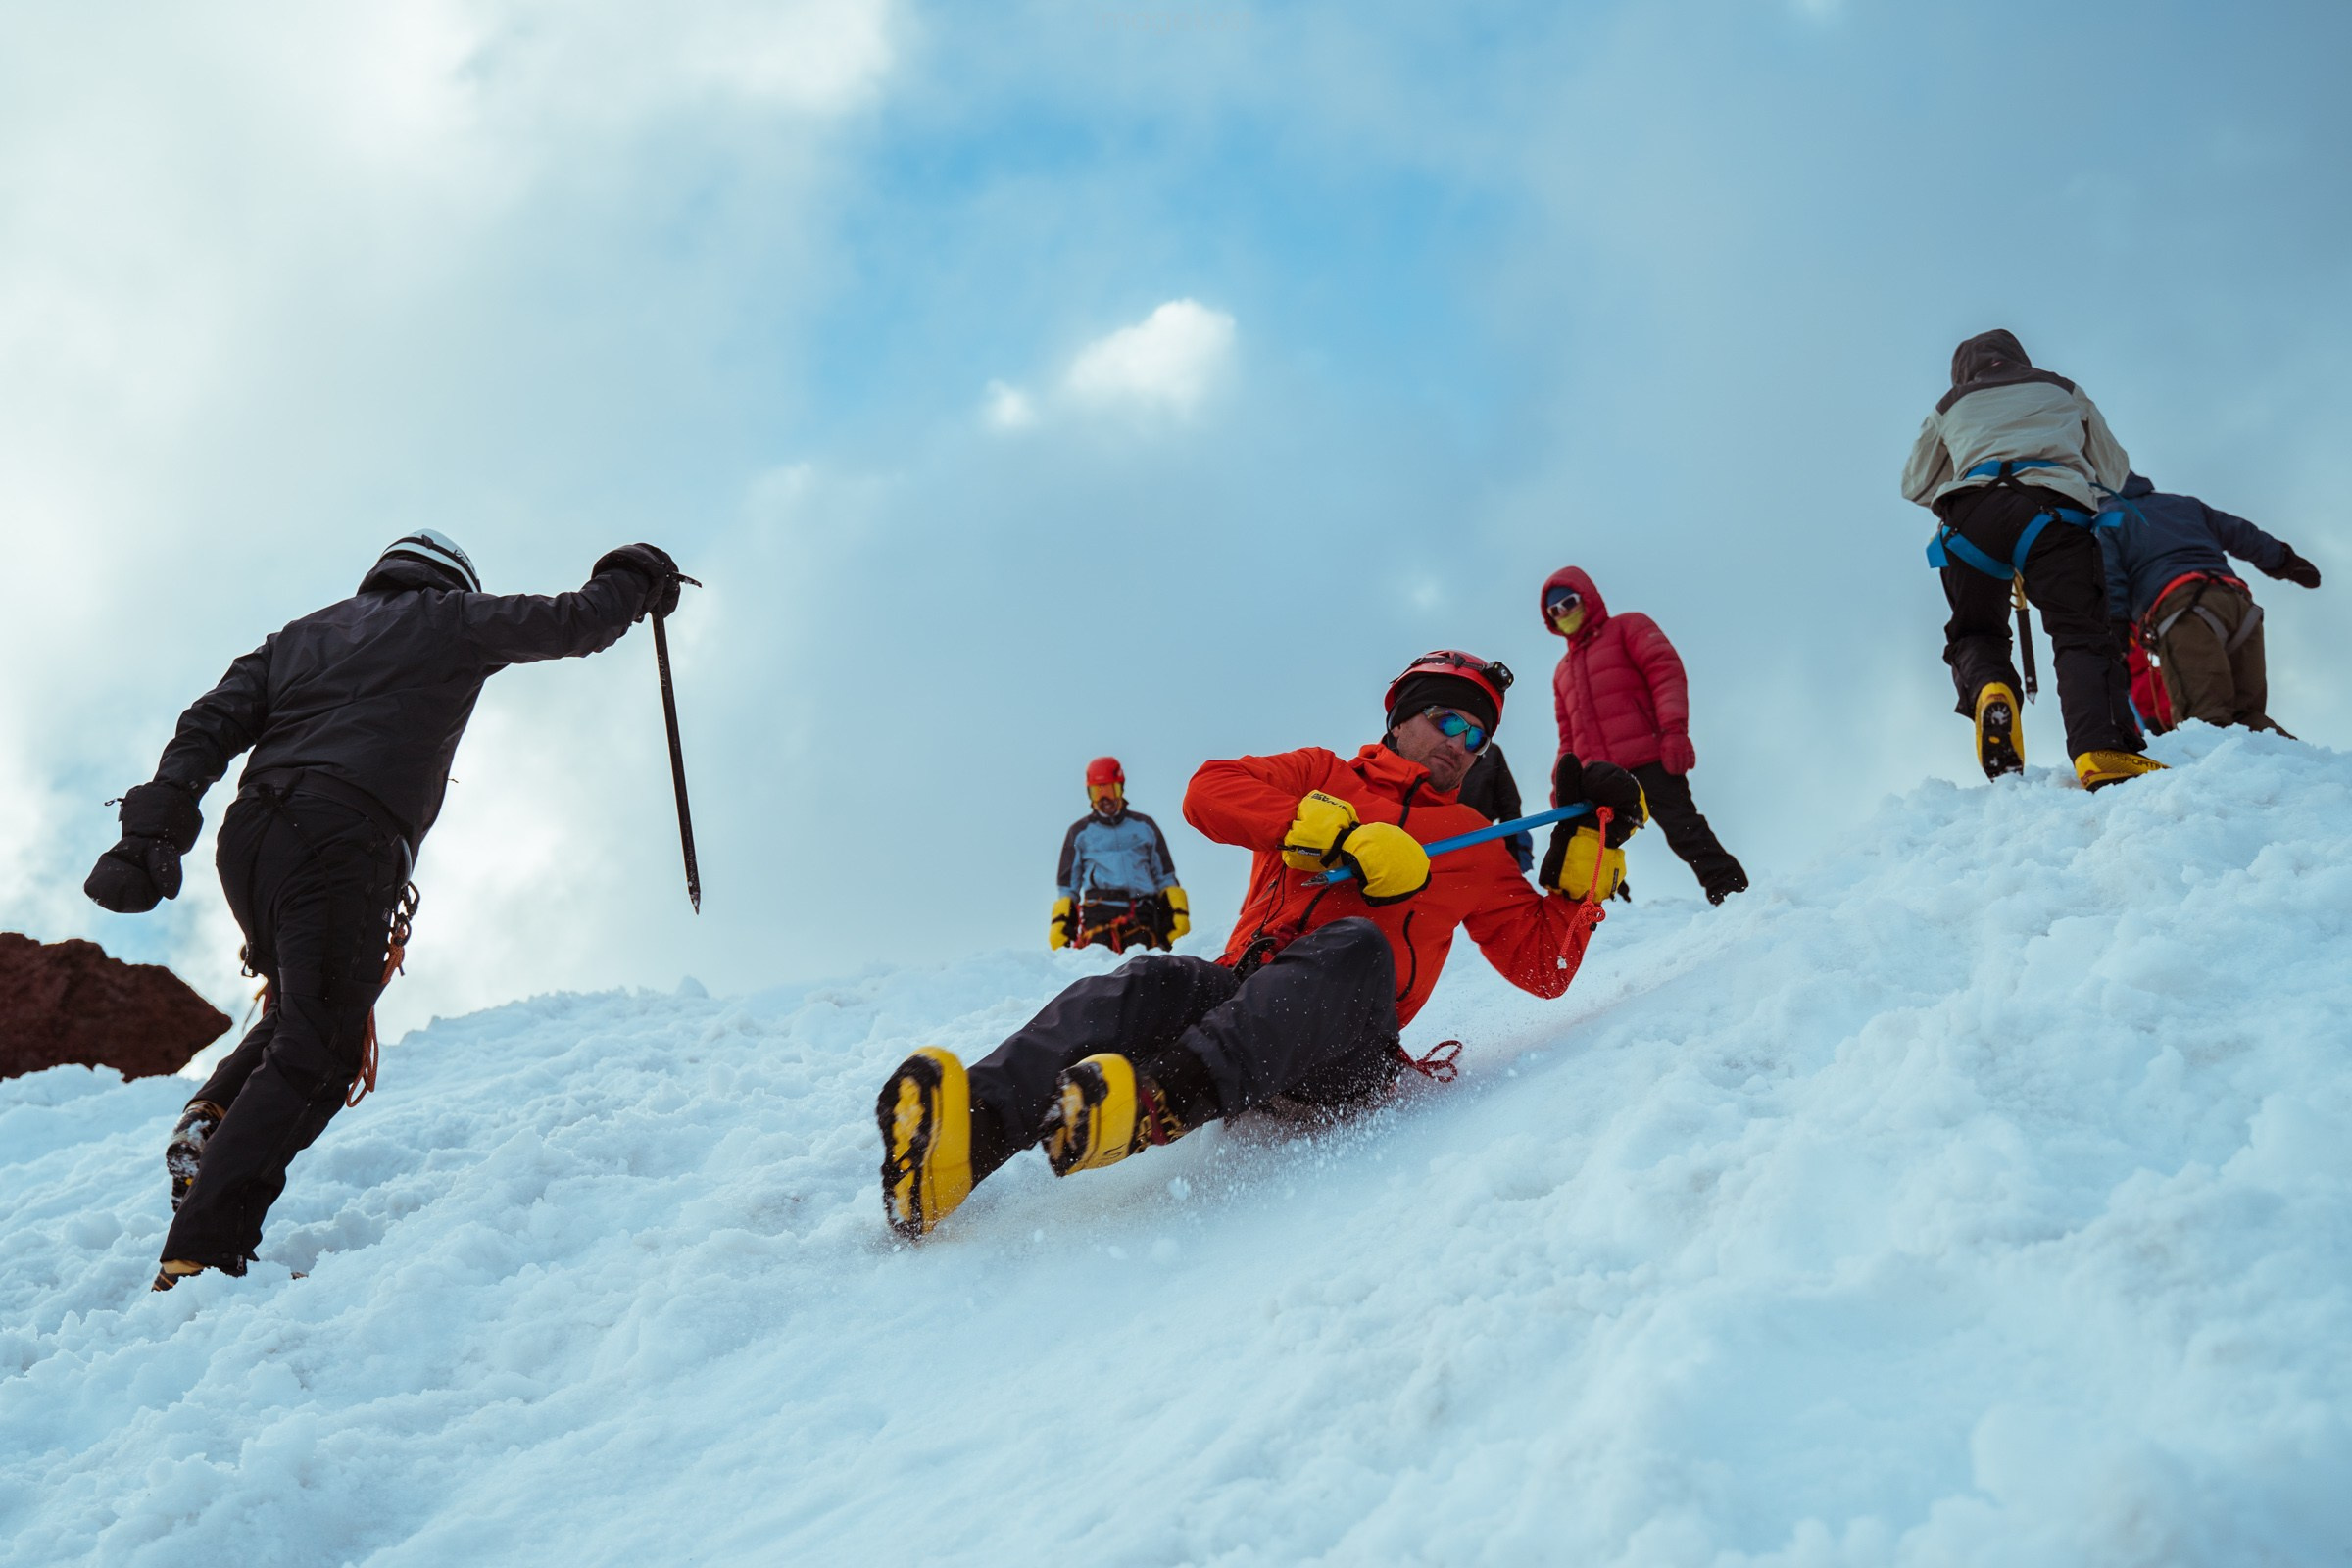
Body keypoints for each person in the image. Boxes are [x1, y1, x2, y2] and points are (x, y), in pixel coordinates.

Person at [876, 650, 1648, 1240]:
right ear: (1401, 720)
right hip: (1242, 999)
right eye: (1448, 721)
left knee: (1354, 946)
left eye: (1477, 738)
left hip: (1345, 1051)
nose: (1462, 745)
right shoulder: (1320, 774)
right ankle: (955, 1149)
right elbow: (1208, 790)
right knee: (1146, 981)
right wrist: (1326, 827)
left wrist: (1587, 855)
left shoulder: (1474, 842)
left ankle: (1151, 1106)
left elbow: (1543, 967)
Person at [84, 530, 683, 1291]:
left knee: (302, 1014)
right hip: (345, 836)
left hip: (253, 842)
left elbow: (206, 725)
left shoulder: (295, 639)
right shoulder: (450, 619)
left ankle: (211, 1121)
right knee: (321, 1050)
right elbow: (576, 621)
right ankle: (204, 1252)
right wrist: (636, 574)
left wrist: (153, 830)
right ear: (449, 581)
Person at [1901, 328, 2159, 790]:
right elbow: (2114, 471)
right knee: (2080, 634)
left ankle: (1989, 690)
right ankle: (2100, 750)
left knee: (1976, 632)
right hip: (2053, 512)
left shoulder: (1949, 404)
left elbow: (1916, 484)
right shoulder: (2061, 388)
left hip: (1970, 516)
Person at [1539, 568, 1747, 905]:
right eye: (1555, 611)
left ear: (1587, 598)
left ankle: (1730, 890)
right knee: (1592, 843)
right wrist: (1561, 782)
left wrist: (1674, 731)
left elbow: (1665, 673)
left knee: (1683, 827)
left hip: (1648, 755)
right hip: (1601, 775)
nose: (1563, 613)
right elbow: (1567, 735)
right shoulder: (1563, 670)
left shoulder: (1628, 627)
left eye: (1569, 602)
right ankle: (1615, 910)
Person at [2099, 473, 2322, 734]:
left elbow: (2110, 579)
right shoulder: (2184, 505)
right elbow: (2242, 534)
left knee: (2204, 724)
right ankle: (2305, 773)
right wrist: (2285, 561)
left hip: (2183, 613)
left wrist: (2116, 634)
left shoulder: (2107, 520)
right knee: (2249, 720)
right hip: (2238, 605)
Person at [1051, 757, 1189, 953]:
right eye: (1096, 792)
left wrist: (1178, 913)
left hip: (1143, 914)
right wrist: (1060, 923)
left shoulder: (1145, 827)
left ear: (1121, 788)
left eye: (1109, 789)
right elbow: (1067, 887)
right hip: (1098, 914)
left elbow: (1165, 876)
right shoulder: (1079, 832)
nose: (1104, 799)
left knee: (1144, 971)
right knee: (1099, 971)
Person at [1454, 744, 1535, 875]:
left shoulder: (1490, 753)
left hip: (1479, 849)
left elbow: (1510, 806)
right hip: (1435, 848)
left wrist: (1513, 858)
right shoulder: (1429, 745)